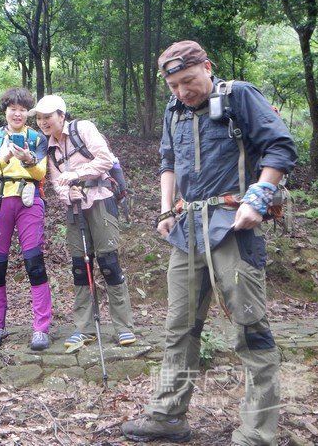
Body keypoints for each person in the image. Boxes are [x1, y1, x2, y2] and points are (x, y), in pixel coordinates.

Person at [121, 41, 297, 445]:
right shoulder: (174, 110)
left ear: (207, 67)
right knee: (178, 327)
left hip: (233, 225)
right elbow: (168, 161)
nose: (183, 91)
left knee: (250, 328)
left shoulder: (239, 96)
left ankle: (256, 433)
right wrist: (165, 211)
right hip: (187, 230)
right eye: (174, 86)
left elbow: (280, 146)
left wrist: (259, 196)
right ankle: (168, 416)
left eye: (189, 80)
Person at [32, 95, 136, 352]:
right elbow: (56, 182)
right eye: (39, 118)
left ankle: (123, 327)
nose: (43, 122)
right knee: (81, 267)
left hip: (101, 200)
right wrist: (69, 193)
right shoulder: (49, 147)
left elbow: (105, 160)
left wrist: (76, 175)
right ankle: (84, 328)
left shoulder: (84, 129)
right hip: (75, 209)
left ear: (61, 115)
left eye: (48, 116)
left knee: (109, 263)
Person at [0, 88, 52, 351]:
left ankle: (41, 328)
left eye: (22, 109)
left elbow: (41, 172)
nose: (17, 114)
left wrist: (28, 158)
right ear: (5, 111)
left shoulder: (37, 138)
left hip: (28, 201)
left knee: (34, 262)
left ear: (28, 113)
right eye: (13, 109)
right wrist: (6, 156)